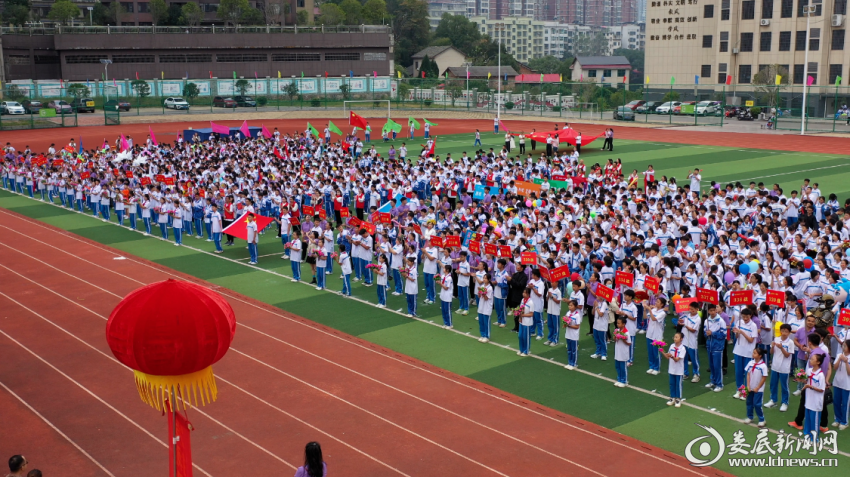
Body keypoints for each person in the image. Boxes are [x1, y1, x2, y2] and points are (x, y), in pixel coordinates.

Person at [765, 323, 795, 412]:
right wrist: (772, 346)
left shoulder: (790, 342)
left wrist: (781, 348)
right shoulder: (776, 339)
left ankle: (784, 402)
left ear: (789, 333)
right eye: (783, 331)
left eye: (786, 331)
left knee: (784, 386)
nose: (784, 333)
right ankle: (773, 400)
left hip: (784, 368)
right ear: (780, 331)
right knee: (773, 384)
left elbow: (787, 355)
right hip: (775, 366)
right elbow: (771, 352)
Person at [802, 352, 827, 442]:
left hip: (816, 402)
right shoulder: (809, 370)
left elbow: (821, 389)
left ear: (818, 362)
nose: (810, 360)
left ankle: (814, 438)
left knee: (814, 421)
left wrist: (810, 386)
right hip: (809, 400)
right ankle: (807, 434)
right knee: (808, 419)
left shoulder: (820, 375)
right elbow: (807, 381)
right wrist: (802, 380)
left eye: (812, 359)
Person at [744, 347, 769, 427]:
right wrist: (748, 386)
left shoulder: (763, 366)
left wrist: (758, 387)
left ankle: (762, 419)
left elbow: (764, 377)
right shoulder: (750, 363)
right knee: (749, 402)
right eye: (753, 352)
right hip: (750, 387)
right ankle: (750, 417)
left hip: (759, 389)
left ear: (760, 356)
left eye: (755, 353)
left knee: (757, 404)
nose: (753, 354)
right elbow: (748, 374)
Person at [704, 303, 726, 391]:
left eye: (714, 310)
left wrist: (713, 333)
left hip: (718, 347)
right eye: (711, 311)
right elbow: (704, 333)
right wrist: (706, 333)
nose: (712, 312)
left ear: (716, 310)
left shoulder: (721, 321)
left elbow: (723, 334)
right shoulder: (707, 321)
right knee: (711, 365)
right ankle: (712, 381)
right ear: (708, 311)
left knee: (717, 366)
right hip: (709, 346)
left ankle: (719, 384)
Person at [661, 332, 686, 406]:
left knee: (678, 384)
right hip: (671, 369)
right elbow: (667, 357)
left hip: (679, 370)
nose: (675, 338)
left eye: (677, 337)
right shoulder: (672, 346)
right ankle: (672, 397)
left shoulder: (682, 348)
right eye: (674, 337)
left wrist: (671, 356)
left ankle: (678, 399)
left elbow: (676, 359)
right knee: (672, 384)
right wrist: (661, 351)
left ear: (681, 339)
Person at [832, 341, 850, 430]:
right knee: (836, 402)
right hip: (837, 383)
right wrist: (839, 359)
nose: (843, 347)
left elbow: (849, 373)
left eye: (845, 346)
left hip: (847, 385)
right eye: (843, 345)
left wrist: (846, 362)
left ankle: (844, 422)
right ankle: (837, 419)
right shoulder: (839, 354)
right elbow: (835, 368)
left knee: (845, 404)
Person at [563, 299, 582, 370]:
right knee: (569, 349)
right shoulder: (568, 313)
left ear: (575, 306)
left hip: (574, 336)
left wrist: (569, 326)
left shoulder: (577, 315)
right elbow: (565, 322)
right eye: (569, 305)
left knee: (574, 350)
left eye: (571, 305)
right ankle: (569, 362)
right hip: (568, 334)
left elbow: (577, 326)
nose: (570, 307)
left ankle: (574, 364)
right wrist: (565, 324)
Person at [613, 316, 631, 386]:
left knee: (623, 367)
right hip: (617, 352)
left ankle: (624, 381)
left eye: (619, 323)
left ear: (623, 324)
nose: (617, 325)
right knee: (617, 366)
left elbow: (629, 343)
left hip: (623, 352)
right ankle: (619, 379)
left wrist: (623, 339)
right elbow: (615, 340)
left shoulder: (626, 333)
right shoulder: (617, 330)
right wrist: (615, 337)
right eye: (617, 323)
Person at [477, 273, 493, 342]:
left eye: (485, 278)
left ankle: (487, 336)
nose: (484, 279)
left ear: (489, 280)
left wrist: (483, 291)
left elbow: (486, 298)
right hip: (481, 306)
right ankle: (482, 335)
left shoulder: (490, 288)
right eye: (483, 278)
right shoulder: (482, 286)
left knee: (486, 322)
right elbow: (479, 296)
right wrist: (479, 292)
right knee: (481, 322)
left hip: (487, 307)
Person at [517, 288, 533, 356]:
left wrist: (523, 315)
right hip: (522, 321)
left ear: (528, 294)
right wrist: (520, 317)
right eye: (523, 292)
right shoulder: (522, 300)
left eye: (525, 293)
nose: (523, 294)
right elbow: (520, 309)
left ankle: (526, 351)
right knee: (520, 336)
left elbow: (531, 314)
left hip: (527, 322)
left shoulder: (531, 302)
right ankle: (521, 349)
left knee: (526, 337)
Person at [438, 264, 454, 328]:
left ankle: (450, 324)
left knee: (447, 310)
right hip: (443, 295)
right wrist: (439, 283)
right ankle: (445, 323)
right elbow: (442, 286)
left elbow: (446, 288)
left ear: (447, 270)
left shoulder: (449, 278)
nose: (443, 269)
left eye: (444, 268)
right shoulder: (443, 276)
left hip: (447, 296)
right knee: (443, 310)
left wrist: (440, 283)